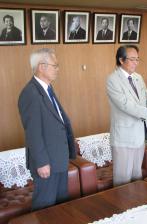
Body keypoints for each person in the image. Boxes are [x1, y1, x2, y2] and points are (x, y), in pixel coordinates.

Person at [18, 48, 76, 211]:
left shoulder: (46, 89)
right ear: (41, 66)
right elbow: (33, 133)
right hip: (47, 163)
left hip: (58, 159)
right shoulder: (31, 93)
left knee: (60, 204)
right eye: (55, 65)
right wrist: (42, 162)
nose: (57, 69)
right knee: (45, 206)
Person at [106, 45, 147, 187]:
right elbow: (125, 105)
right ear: (121, 60)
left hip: (139, 135)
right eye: (132, 59)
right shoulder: (113, 80)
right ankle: (123, 208)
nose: (136, 62)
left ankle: (137, 206)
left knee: (137, 175)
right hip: (123, 137)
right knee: (123, 178)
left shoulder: (137, 77)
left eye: (137, 59)